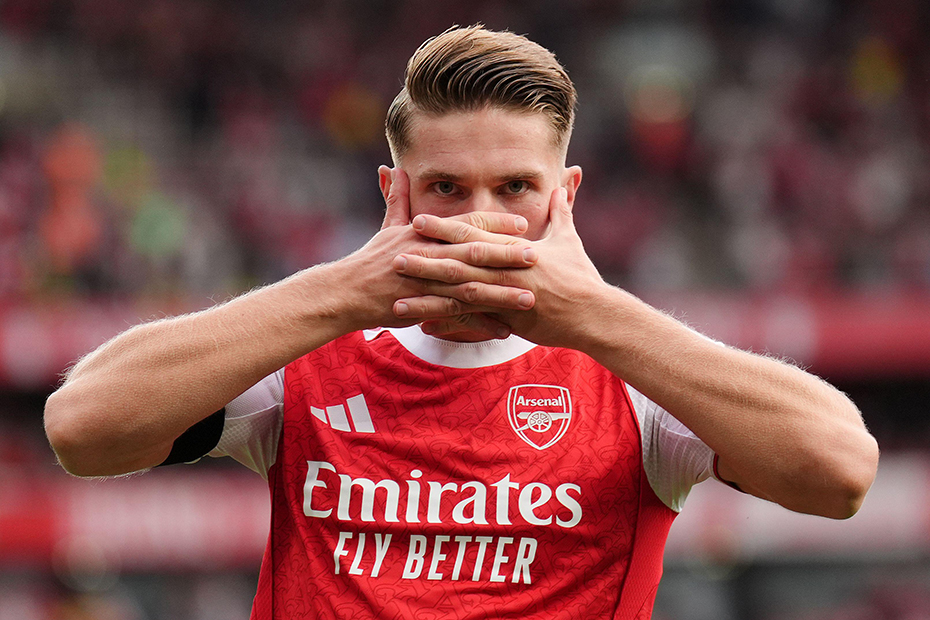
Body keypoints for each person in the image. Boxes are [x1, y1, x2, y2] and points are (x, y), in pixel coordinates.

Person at [45, 25, 879, 620]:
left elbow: (840, 473)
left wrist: (597, 317)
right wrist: (340, 293)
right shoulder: (307, 358)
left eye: (515, 188)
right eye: (445, 189)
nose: (480, 221)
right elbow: (83, 430)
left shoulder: (636, 377)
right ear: (393, 194)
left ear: (566, 198)